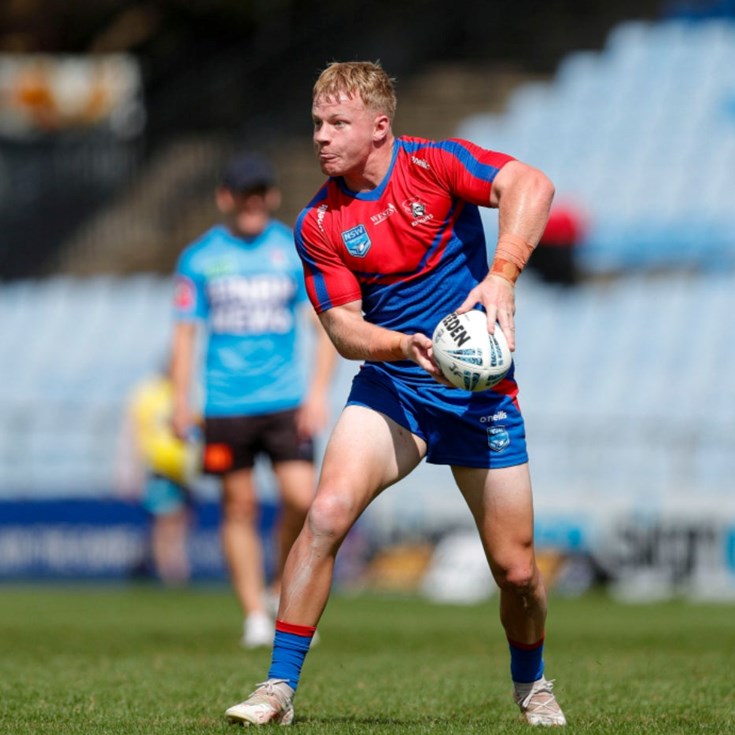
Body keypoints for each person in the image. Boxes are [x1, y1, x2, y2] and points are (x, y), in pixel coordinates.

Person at [224, 61, 567, 726]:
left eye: (337, 123)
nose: (321, 136)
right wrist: (401, 345)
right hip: (394, 386)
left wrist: (501, 277)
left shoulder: (435, 165)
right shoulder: (319, 222)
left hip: (480, 398)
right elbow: (344, 330)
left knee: (516, 571)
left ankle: (531, 681)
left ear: (380, 127)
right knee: (324, 514)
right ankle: (277, 687)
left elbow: (532, 182)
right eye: (317, 123)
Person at [171, 151, 337, 649]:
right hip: (225, 404)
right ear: (225, 197)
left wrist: (316, 394)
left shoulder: (291, 250)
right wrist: (181, 400)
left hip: (286, 400)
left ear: (273, 196)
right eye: (244, 192)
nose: (253, 201)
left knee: (303, 500)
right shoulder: (199, 259)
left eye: (261, 192)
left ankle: (277, 588)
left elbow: (324, 326)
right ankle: (254, 615)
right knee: (238, 506)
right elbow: (185, 335)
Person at [117, 369, 199, 586]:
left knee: (175, 523)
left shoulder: (177, 396)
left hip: (179, 472)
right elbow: (137, 435)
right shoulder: (156, 397)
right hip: (161, 470)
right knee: (167, 524)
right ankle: (171, 573)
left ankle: (168, 569)